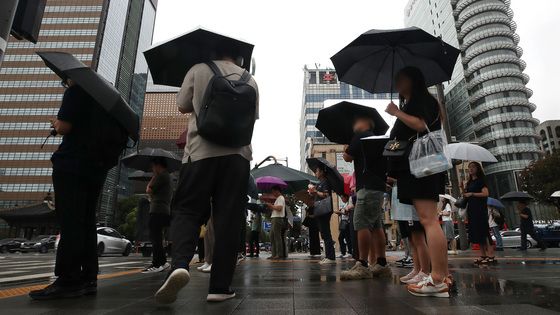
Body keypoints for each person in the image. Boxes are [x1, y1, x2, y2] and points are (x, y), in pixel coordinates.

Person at [154, 47, 259, 304]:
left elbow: (181, 106)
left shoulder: (199, 69)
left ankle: (179, 264)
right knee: (229, 219)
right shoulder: (251, 80)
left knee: (188, 209)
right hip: (238, 158)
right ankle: (220, 287)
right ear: (239, 56)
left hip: (200, 154)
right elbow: (251, 119)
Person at [29, 81, 113, 300]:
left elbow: (65, 127)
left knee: (70, 221)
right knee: (86, 222)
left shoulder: (76, 91)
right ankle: (88, 278)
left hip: (72, 165)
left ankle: (69, 279)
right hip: (96, 168)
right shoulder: (104, 101)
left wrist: (56, 123)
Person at [385, 67, 450, 297]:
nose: (396, 83)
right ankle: (441, 275)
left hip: (421, 167)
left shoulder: (421, 101)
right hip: (414, 168)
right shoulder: (413, 103)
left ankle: (438, 279)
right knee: (427, 221)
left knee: (428, 221)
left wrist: (396, 113)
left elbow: (421, 126)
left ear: (413, 80)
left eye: (400, 78)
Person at [341, 116, 390, 280]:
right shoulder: (375, 140)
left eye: (358, 121)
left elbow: (347, 157)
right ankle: (381, 264)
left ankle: (362, 264)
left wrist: (346, 148)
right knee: (376, 225)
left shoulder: (361, 136)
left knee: (361, 222)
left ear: (367, 124)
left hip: (367, 187)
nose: (355, 124)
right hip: (377, 186)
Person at [142, 157, 173, 274]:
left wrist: (152, 179)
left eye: (153, 166)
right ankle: (162, 262)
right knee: (157, 238)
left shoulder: (162, 176)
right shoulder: (166, 176)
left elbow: (149, 190)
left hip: (158, 210)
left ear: (158, 165)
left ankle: (158, 263)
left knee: (155, 238)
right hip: (162, 210)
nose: (152, 168)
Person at [463, 162, 495, 264]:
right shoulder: (469, 182)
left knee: (484, 231)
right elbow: (466, 195)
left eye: (473, 167)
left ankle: (491, 255)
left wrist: (472, 193)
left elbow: (486, 193)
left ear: (478, 169)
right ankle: (483, 255)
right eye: (469, 167)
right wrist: (463, 189)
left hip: (480, 209)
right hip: (472, 209)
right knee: (477, 232)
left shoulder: (481, 181)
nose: (470, 169)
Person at [309, 169, 337, 264]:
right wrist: (312, 193)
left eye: (317, 171)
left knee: (326, 233)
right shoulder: (319, 183)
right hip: (320, 211)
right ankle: (328, 256)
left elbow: (326, 195)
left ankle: (331, 257)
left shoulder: (325, 182)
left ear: (321, 172)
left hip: (324, 210)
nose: (315, 173)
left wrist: (316, 191)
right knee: (324, 234)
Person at [266, 186, 286, 260]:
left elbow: (279, 208)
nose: (272, 193)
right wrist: (271, 206)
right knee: (272, 236)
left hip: (277, 218)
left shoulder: (280, 198)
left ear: (277, 191)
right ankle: (274, 254)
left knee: (277, 237)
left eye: (273, 191)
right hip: (274, 218)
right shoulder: (278, 199)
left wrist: (271, 205)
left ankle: (278, 254)